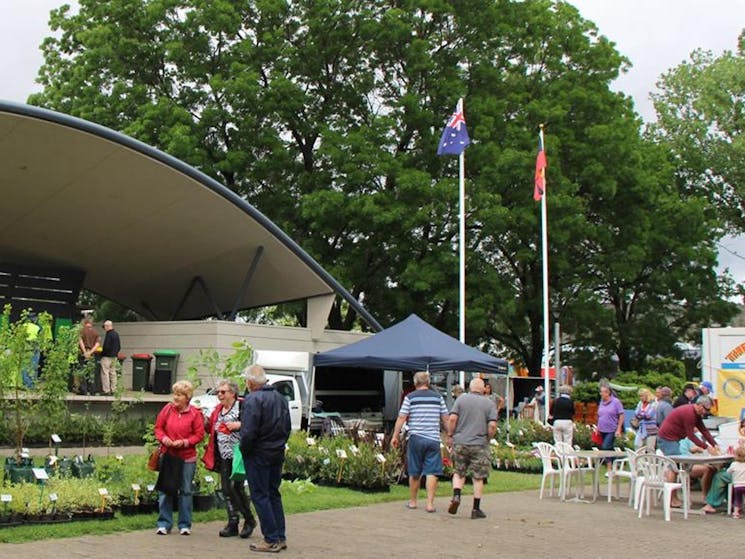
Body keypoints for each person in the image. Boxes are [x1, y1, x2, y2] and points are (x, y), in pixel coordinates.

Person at [240, 365, 291, 553]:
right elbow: (287, 427)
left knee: (260, 495)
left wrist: (245, 450)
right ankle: (280, 536)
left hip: (258, 453)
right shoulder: (280, 398)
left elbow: (248, 431)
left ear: (250, 382)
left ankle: (270, 538)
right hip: (276, 451)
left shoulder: (253, 399)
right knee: (273, 493)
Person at [202, 379, 257, 539]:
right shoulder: (218, 409)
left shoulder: (243, 405)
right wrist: (203, 419)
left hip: (239, 454)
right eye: (218, 392)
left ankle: (249, 520)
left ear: (232, 393)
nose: (219, 395)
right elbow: (210, 428)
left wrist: (239, 425)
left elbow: (254, 424)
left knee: (235, 487)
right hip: (223, 454)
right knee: (226, 489)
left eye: (223, 392)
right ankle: (232, 522)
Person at [391, 371, 449, 513]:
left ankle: (413, 501)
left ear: (415, 382)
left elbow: (401, 417)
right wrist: (450, 434)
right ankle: (430, 504)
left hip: (415, 437)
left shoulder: (410, 397)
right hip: (433, 438)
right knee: (432, 472)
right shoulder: (438, 398)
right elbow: (446, 418)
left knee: (414, 471)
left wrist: (395, 436)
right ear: (428, 382)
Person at [154, 380, 205, 536]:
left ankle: (184, 524)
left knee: (186, 491)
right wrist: (164, 439)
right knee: (165, 489)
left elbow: (199, 435)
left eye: (180, 395)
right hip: (168, 455)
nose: (175, 398)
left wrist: (184, 442)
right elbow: (158, 428)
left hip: (187, 457)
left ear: (187, 397)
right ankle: (164, 523)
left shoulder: (195, 414)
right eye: (175, 394)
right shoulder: (167, 410)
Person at [446, 378, 498, 519]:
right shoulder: (489, 403)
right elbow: (492, 425)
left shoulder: (461, 400)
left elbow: (452, 419)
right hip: (479, 444)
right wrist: (488, 437)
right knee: (478, 477)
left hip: (460, 442)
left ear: (470, 388)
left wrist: (450, 434)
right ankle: (476, 508)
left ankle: (456, 495)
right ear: (483, 389)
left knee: (459, 472)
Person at [657, 395, 720, 508]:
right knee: (674, 467)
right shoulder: (689, 413)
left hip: (674, 439)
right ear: (700, 406)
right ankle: (671, 499)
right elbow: (691, 435)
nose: (706, 412)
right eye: (706, 409)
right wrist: (707, 447)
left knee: (677, 466)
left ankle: (674, 498)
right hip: (667, 439)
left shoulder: (696, 414)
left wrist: (715, 444)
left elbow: (704, 430)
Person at [678, 431, 718, 502]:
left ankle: (712, 495)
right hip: (687, 465)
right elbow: (688, 451)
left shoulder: (697, 436)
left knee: (714, 469)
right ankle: (705, 496)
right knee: (707, 470)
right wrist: (696, 450)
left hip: (699, 462)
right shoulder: (684, 437)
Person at [597, 384, 624, 460]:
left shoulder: (616, 402)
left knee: (605, 447)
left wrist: (619, 429)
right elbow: (600, 415)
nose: (601, 394)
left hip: (612, 429)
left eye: (602, 392)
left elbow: (621, 415)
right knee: (609, 447)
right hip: (602, 428)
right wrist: (598, 428)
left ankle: (612, 463)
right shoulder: (601, 402)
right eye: (600, 392)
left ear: (608, 393)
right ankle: (615, 462)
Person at [74, 318, 100, 394]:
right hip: (92, 355)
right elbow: (97, 344)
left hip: (83, 354)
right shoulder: (95, 332)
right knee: (91, 372)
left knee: (82, 371)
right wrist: (91, 352)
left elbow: (80, 341)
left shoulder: (81, 331)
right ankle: (92, 390)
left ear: (84, 323)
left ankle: (83, 390)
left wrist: (85, 352)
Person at [99, 320, 121, 395]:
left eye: (104, 327)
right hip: (114, 357)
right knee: (113, 373)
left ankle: (106, 390)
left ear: (107, 326)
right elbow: (119, 347)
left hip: (107, 357)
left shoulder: (109, 334)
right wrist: (115, 353)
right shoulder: (116, 334)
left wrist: (102, 353)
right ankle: (114, 389)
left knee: (105, 373)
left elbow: (106, 346)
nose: (104, 329)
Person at [727, 446, 745, 519]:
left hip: (737, 486)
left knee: (737, 499)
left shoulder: (734, 464)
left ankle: (736, 513)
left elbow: (728, 471)